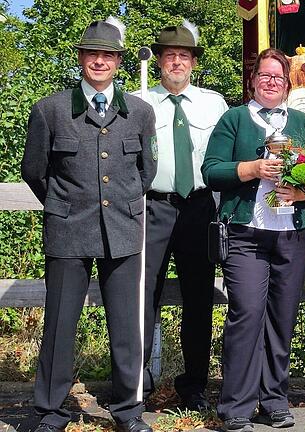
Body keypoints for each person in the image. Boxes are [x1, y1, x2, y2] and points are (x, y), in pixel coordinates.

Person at [21, 18, 157, 432]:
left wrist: (118, 205)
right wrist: (65, 205)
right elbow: (34, 171)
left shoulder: (139, 112)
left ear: (119, 62)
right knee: (60, 325)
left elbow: (145, 171)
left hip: (124, 230)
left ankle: (128, 412)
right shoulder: (50, 110)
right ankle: (50, 412)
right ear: (81, 59)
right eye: (92, 54)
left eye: (108, 55)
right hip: (67, 232)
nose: (99, 61)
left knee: (127, 328)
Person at [202, 48, 305, 431]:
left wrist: (304, 193)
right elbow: (211, 171)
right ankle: (236, 405)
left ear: (287, 85)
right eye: (265, 76)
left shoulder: (304, 123)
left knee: (282, 319)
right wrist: (251, 168)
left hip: (292, 234)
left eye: (279, 78)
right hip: (245, 234)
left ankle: (274, 400)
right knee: (247, 315)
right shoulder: (234, 119)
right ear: (253, 81)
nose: (271, 82)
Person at [138, 21, 228, 411]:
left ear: (193, 63)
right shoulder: (136, 100)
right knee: (141, 296)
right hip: (151, 207)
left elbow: (224, 158)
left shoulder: (214, 103)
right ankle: (135, 384)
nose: (177, 62)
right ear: (159, 61)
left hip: (199, 208)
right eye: (170, 55)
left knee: (198, 299)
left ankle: (194, 386)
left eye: (184, 56)